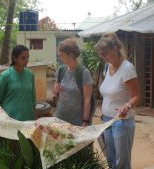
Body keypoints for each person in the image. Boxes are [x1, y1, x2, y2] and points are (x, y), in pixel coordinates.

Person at [95, 33, 140, 169]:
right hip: (107, 120)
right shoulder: (107, 67)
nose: (104, 57)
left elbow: (136, 96)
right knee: (110, 158)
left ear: (115, 48)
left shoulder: (127, 69)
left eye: (106, 53)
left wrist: (127, 105)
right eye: (101, 54)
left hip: (122, 121)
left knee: (122, 162)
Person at [54, 38, 94, 126]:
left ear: (70, 55)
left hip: (77, 120)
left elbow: (87, 100)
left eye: (61, 55)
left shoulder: (84, 73)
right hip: (60, 117)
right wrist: (56, 90)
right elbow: (56, 93)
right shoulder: (61, 70)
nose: (60, 57)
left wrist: (85, 121)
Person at [0, 45, 36, 121]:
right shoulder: (5, 76)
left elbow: (33, 97)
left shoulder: (30, 75)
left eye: (27, 57)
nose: (26, 60)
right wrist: (3, 117)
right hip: (10, 120)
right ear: (15, 58)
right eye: (23, 58)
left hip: (28, 119)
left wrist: (33, 110)